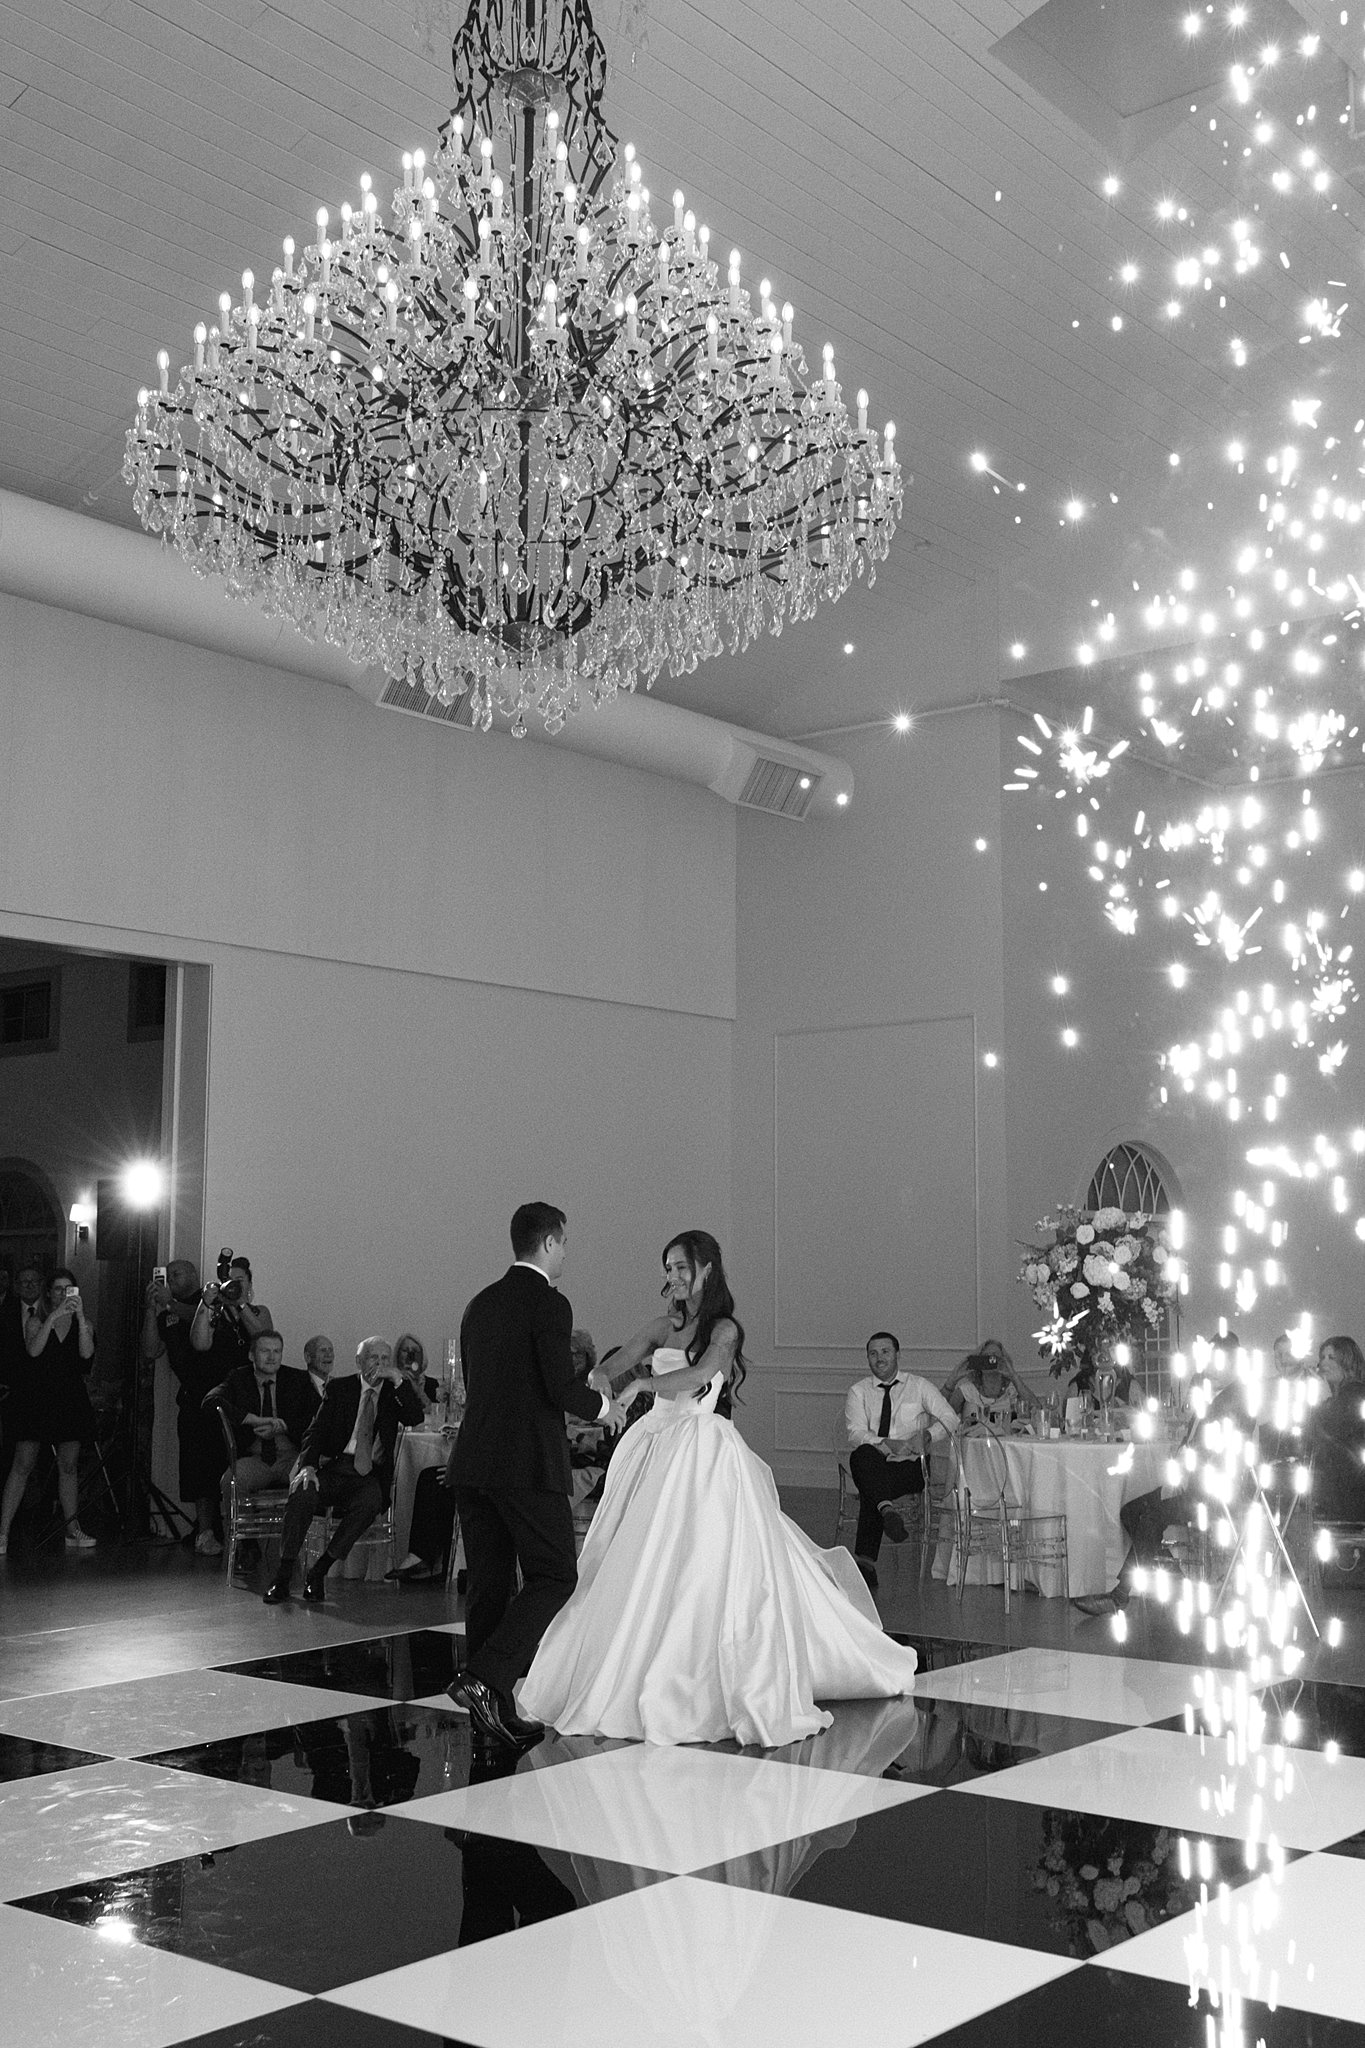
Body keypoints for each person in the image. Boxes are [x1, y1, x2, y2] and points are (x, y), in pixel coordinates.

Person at [516, 1232, 922, 1749]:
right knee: (639, 1559)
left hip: (701, 1449)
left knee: (707, 1560)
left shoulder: (724, 1329)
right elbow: (614, 1364)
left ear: (707, 1269)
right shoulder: (664, 1324)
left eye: (682, 1267)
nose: (673, 1277)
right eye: (668, 1268)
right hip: (655, 1444)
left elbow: (701, 1373)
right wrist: (592, 1380)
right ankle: (633, 1660)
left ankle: (705, 1672)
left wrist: (643, 1386)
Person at [445, 1205, 624, 1749]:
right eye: (564, 1243)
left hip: (474, 1462)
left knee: (490, 1584)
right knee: (554, 1575)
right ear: (547, 1242)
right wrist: (603, 1408)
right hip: (524, 1464)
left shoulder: (479, 1304)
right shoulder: (549, 1301)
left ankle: (489, 1708)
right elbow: (556, 1384)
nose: (566, 1253)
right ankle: (485, 1677)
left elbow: (477, 1383)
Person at [1073, 1330, 1244, 1617]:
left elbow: (1214, 1452)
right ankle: (1170, 1568)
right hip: (1194, 1485)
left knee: (1151, 1516)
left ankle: (1120, 1595)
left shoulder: (1233, 1400)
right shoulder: (1212, 1396)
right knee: (1130, 1511)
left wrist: (1183, 1475)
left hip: (1216, 1493)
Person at [263, 1335, 425, 1604]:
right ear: (359, 1361)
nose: (381, 1364)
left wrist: (398, 1380)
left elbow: (415, 1417)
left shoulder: (393, 1394)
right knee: (302, 1493)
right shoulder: (341, 1388)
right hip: (334, 1466)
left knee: (371, 1500)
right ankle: (283, 1574)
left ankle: (319, 1571)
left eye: (386, 1359)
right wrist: (308, 1467)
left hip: (368, 1474)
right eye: (374, 1357)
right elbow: (315, 1433)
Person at [843, 1331, 959, 1589]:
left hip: (912, 1467)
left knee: (870, 1486)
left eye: (885, 1351)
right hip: (877, 1462)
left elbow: (951, 1418)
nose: (879, 1358)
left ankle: (866, 1560)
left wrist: (928, 1436)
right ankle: (887, 1511)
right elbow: (856, 1433)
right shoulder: (859, 1391)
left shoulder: (919, 1386)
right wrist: (886, 1444)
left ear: (897, 1354)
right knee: (862, 1454)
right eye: (873, 1353)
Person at [0, 1269, 97, 1554]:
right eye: (58, 1289)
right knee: (22, 1464)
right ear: (49, 1293)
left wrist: (78, 1318)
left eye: (69, 1289)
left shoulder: (85, 1323)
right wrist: (53, 1316)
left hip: (70, 1399)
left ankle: (72, 1527)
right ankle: (2, 1531)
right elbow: (33, 1351)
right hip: (37, 1399)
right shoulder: (35, 1321)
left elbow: (86, 1354)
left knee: (68, 1466)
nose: (63, 1294)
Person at [141, 1258, 227, 1554]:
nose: (171, 1279)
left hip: (220, 1393)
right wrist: (153, 1312)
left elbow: (203, 1319)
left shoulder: (207, 1298)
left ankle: (219, 1529)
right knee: (195, 1465)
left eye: (176, 1273)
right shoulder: (167, 1310)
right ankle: (205, 1530)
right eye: (168, 1275)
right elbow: (151, 1351)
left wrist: (170, 1304)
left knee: (218, 1462)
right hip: (190, 1397)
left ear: (192, 1274)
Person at [208, 1327, 319, 1500]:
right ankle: (236, 1527)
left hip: (291, 1457)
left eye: (277, 1351)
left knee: (312, 1478)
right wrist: (252, 1419)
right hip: (255, 1459)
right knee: (231, 1481)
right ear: (252, 1355)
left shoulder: (297, 1379)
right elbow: (211, 1401)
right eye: (265, 1351)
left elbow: (317, 1416)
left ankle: (299, 1527)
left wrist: (284, 1426)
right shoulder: (239, 1378)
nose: (271, 1357)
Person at [1309, 1336, 1365, 1522]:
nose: (1324, 1362)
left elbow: (1331, 1432)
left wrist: (1323, 1398)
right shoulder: (1338, 1397)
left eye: (1331, 1357)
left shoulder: (1355, 1394)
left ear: (1347, 1361)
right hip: (1339, 1490)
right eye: (1322, 1357)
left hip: (1351, 1491)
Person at [190, 1254, 274, 1370]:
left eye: (239, 1281)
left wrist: (240, 1304)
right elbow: (200, 1344)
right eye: (229, 1281)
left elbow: (265, 1342)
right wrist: (205, 1301)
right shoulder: (214, 1312)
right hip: (217, 1381)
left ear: (249, 1285)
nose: (233, 1285)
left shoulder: (259, 1312)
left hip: (248, 1382)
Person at [944, 1340, 1040, 1427]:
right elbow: (942, 1415)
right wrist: (952, 1379)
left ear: (1003, 1360)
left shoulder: (1012, 1390)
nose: (990, 1360)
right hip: (974, 1444)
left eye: (995, 1356)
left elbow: (1038, 1410)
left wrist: (1013, 1376)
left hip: (1007, 1443)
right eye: (986, 1356)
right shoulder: (967, 1390)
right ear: (979, 1360)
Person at [303, 1335, 335, 1400]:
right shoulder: (298, 1387)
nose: (329, 1355)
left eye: (330, 1350)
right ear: (308, 1357)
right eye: (323, 1350)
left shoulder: (339, 1387)